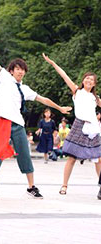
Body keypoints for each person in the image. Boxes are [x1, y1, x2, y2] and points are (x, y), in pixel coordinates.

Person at [0, 34, 71, 199]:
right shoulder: (5, 78)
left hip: (17, 124)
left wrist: (59, 108)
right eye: (18, 69)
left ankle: (31, 187)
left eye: (23, 70)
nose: (21, 72)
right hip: (3, 121)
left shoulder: (25, 89)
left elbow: (43, 99)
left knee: (24, 152)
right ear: (12, 70)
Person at [42, 53, 101, 197]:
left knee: (98, 158)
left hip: (93, 128)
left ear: (94, 84)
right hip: (79, 126)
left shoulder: (95, 97)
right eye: (87, 78)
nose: (89, 80)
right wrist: (52, 63)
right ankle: (64, 185)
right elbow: (64, 75)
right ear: (83, 80)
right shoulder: (77, 91)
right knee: (72, 158)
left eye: (91, 80)